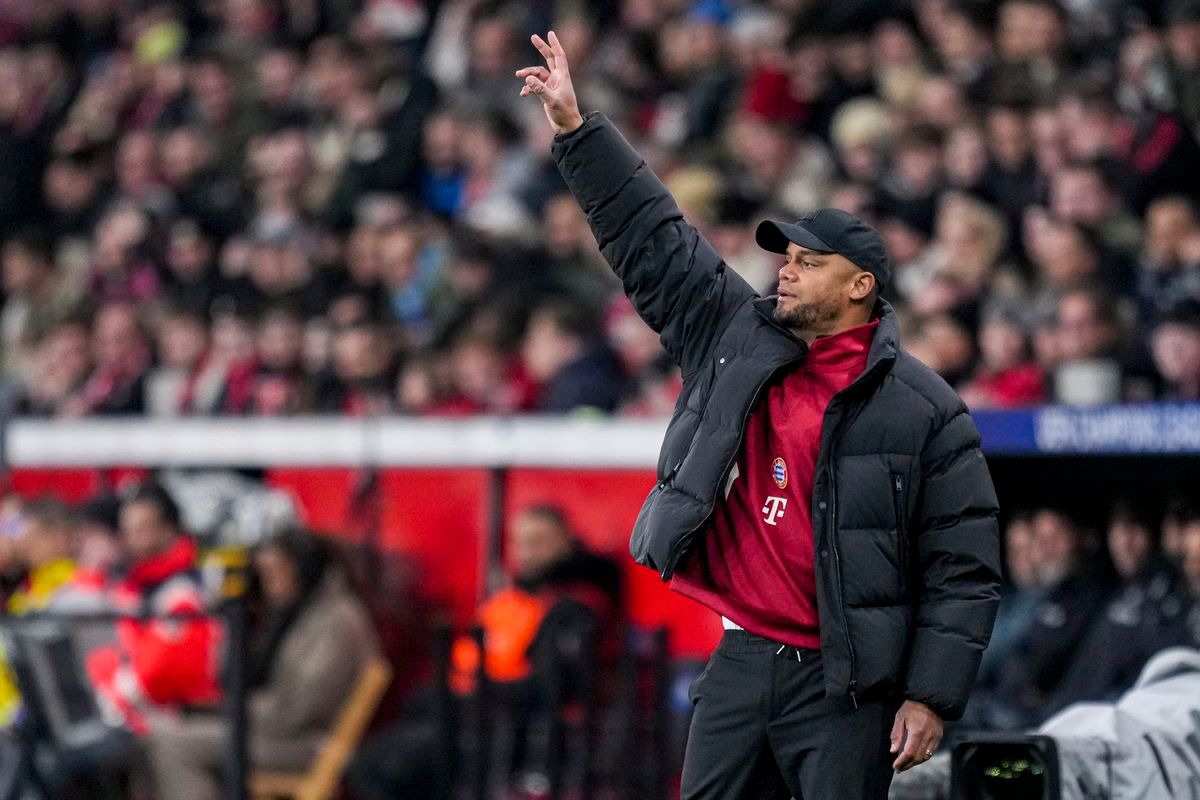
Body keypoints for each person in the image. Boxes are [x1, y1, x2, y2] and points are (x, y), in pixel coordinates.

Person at [517, 31, 1001, 799]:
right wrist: (579, 130)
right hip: (740, 660)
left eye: (810, 263)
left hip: (846, 686)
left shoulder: (929, 412)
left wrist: (931, 696)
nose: (787, 269)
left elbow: (963, 569)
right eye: (786, 256)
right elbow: (656, 240)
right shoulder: (734, 334)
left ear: (861, 289)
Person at [346, 504, 621, 800]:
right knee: (369, 760)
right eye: (520, 543)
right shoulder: (511, 599)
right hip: (466, 717)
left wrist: (474, 695)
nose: (527, 553)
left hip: (506, 732)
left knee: (390, 767)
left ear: (567, 541)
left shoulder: (574, 606)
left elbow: (549, 688)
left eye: (539, 542)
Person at [148, 528, 380, 800]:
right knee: (155, 732)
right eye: (264, 574)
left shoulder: (337, 620)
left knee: (174, 745)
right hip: (281, 733)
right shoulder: (297, 614)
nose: (269, 584)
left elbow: (297, 712)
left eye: (275, 572)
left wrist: (224, 710)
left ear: (303, 569)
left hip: (308, 744)